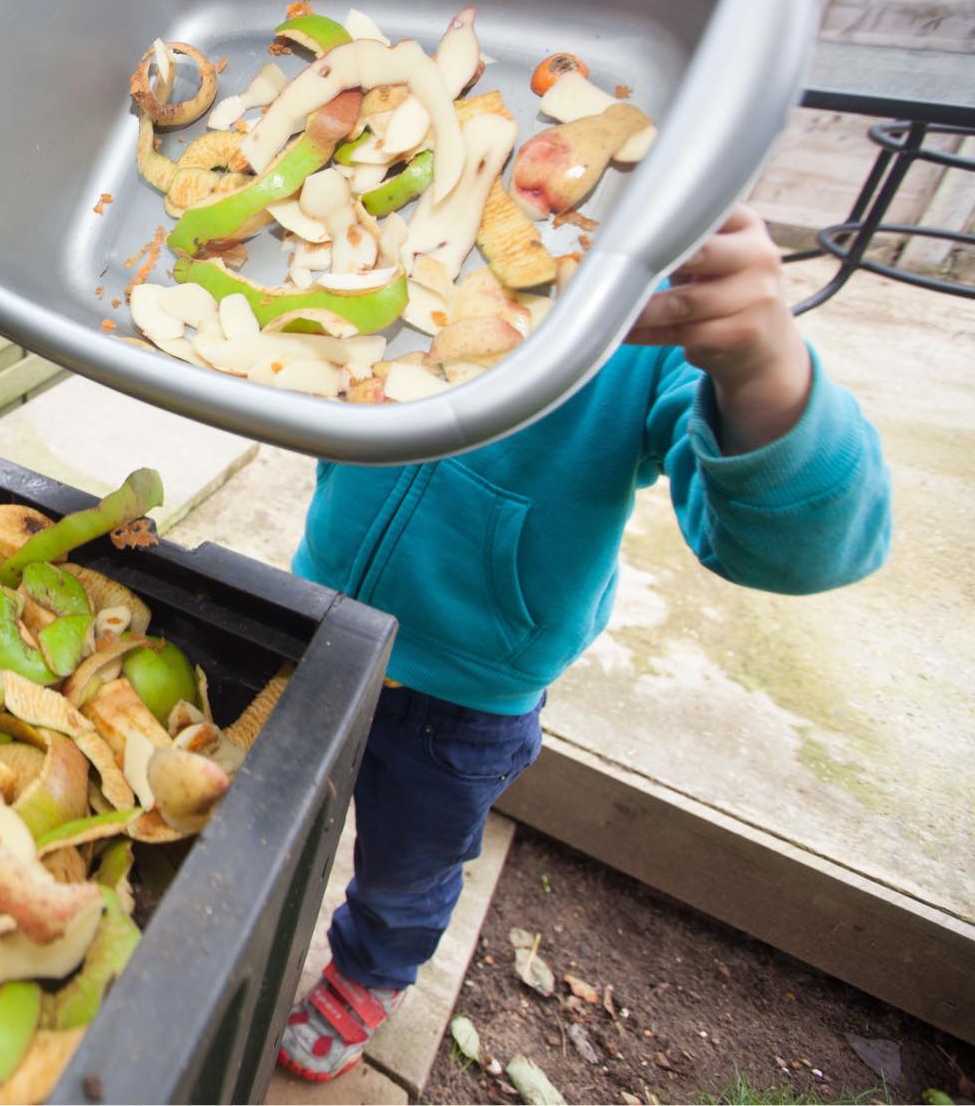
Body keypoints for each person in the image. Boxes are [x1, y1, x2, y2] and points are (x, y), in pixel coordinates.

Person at [278, 205, 892, 1083]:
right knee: (286, 804)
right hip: (323, 612)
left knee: (406, 867)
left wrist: (761, 364)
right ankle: (267, 918)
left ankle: (372, 968)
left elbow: (807, 545)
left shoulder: (645, 296)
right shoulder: (410, 210)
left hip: (464, 700)